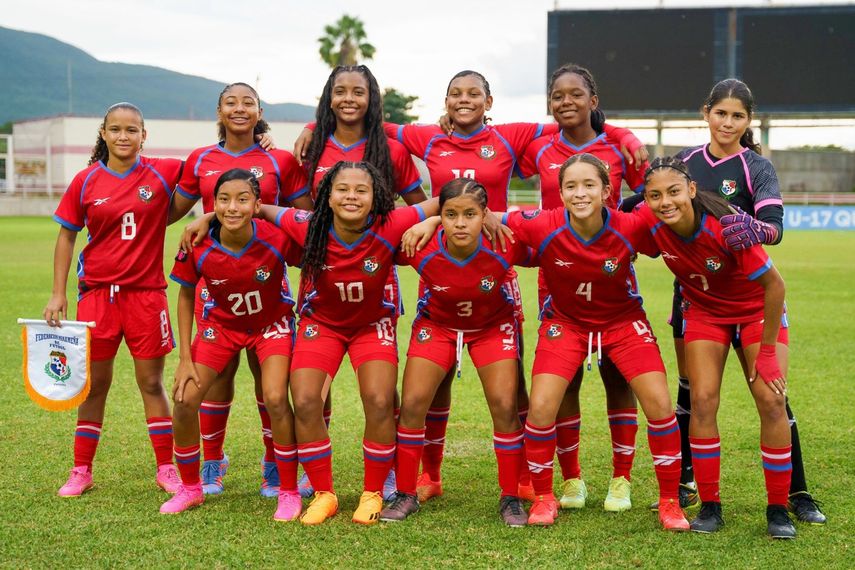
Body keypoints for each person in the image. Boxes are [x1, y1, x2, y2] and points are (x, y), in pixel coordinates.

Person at [653, 79, 824, 523]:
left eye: (737, 116)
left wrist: (750, 229)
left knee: (772, 398)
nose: (727, 123)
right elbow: (646, 203)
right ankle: (695, 488)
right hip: (692, 291)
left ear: (748, 121)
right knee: (695, 393)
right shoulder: (684, 164)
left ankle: (795, 493)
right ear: (705, 112)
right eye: (721, 113)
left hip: (747, 287)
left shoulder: (755, 167)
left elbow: (774, 227)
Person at [504, 154, 689, 530]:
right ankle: (545, 496)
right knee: (541, 406)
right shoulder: (543, 224)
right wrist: (429, 222)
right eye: (571, 186)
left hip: (622, 323)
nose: (580, 193)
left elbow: (678, 226)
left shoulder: (631, 226)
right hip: (566, 324)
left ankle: (667, 501)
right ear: (559, 194)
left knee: (658, 402)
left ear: (606, 191)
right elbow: (484, 216)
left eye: (589, 185)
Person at [266, 161, 438, 525]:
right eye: (342, 189)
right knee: (308, 398)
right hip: (322, 324)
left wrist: (430, 221)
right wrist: (205, 220)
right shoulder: (307, 223)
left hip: (371, 325)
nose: (351, 196)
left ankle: (373, 491)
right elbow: (261, 209)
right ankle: (324, 493)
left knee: (378, 399)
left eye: (362, 190)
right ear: (327, 196)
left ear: (376, 197)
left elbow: (442, 202)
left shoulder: (389, 224)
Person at [639, 156, 795, 539]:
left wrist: (770, 352)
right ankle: (710, 506)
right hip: (706, 314)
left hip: (756, 312)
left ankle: (778, 509)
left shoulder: (726, 228)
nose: (666, 202)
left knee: (772, 402)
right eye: (655, 195)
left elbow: (775, 286)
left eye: (674, 192)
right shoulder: (651, 226)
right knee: (703, 402)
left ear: (691, 190)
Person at [170, 82, 311, 498]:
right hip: (215, 285)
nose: (239, 109)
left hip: (266, 282)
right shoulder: (201, 158)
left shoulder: (278, 159)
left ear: (259, 110)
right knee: (216, 378)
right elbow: (170, 210)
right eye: (230, 102)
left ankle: (275, 466)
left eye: (247, 102)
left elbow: (302, 215)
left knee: (267, 383)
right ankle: (210, 463)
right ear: (218, 111)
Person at [518, 63, 649, 512]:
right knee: (565, 380)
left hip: (612, 278)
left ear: (593, 101)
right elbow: (492, 147)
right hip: (558, 280)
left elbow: (650, 193)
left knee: (619, 376)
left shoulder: (619, 147)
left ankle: (621, 479)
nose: (566, 101)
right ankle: (571, 480)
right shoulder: (539, 149)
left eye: (576, 94)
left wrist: (621, 229)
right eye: (558, 95)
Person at [297, 64, 427, 500]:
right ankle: (313, 471)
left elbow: (421, 204)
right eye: (340, 91)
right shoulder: (312, 147)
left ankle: (385, 471)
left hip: (374, 283)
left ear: (372, 98)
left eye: (359, 91)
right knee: (312, 386)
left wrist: (420, 230)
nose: (349, 99)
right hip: (323, 276)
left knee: (379, 393)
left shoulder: (390, 150)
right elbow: (294, 208)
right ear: (328, 97)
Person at [45, 102, 184, 497]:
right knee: (95, 385)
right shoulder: (86, 180)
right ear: (103, 133)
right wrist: (58, 294)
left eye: (132, 130)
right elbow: (67, 236)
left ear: (145, 135)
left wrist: (198, 216)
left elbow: (208, 173)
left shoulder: (161, 171)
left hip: (146, 297)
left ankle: (166, 467)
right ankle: (81, 469)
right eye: (116, 130)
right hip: (98, 297)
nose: (124, 137)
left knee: (151, 383)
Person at [379, 178, 536, 527]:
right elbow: (375, 235)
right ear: (441, 215)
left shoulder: (505, 243)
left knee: (505, 405)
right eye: (450, 215)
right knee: (415, 402)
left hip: (492, 328)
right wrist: (428, 220)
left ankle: (510, 497)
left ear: (486, 215)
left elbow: (552, 246)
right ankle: (406, 492)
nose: (460, 223)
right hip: (436, 326)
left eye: (470, 214)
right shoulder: (419, 244)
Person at [162, 169, 302, 521]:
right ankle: (191, 487)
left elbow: (315, 251)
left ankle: (287, 489)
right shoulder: (198, 243)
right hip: (220, 327)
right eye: (223, 199)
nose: (232, 207)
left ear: (257, 205)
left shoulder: (275, 237)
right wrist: (184, 358)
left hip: (271, 325)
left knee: (274, 398)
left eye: (243, 199)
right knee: (184, 398)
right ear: (212, 205)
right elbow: (184, 295)